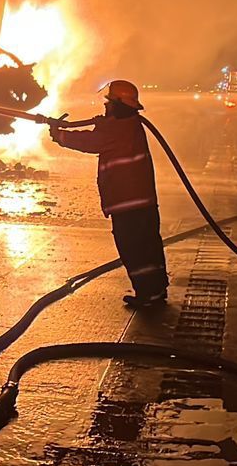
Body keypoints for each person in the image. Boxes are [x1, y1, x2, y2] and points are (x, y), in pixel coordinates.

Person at [49, 79, 168, 307]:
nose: (105, 106)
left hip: (128, 203)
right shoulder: (128, 124)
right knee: (148, 247)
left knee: (134, 250)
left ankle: (148, 296)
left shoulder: (119, 129)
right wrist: (103, 123)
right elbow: (103, 135)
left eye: (109, 102)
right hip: (140, 202)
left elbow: (91, 142)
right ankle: (156, 291)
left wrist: (60, 136)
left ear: (119, 105)